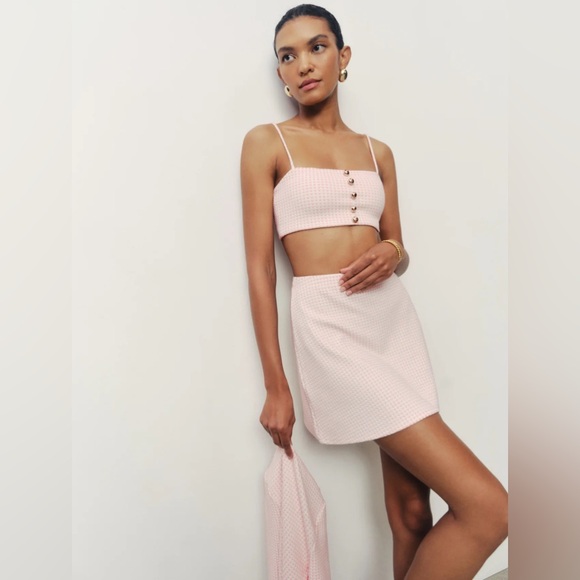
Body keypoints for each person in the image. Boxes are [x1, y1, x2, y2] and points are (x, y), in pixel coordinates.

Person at [240, 4, 508, 579]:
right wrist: (276, 385)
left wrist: (392, 250)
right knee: (492, 509)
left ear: (343, 57)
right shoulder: (267, 143)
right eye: (287, 56)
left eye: (317, 47)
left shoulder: (377, 152)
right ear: (280, 72)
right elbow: (260, 269)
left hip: (393, 326)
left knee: (412, 514)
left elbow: (398, 249)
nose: (303, 64)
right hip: (331, 330)